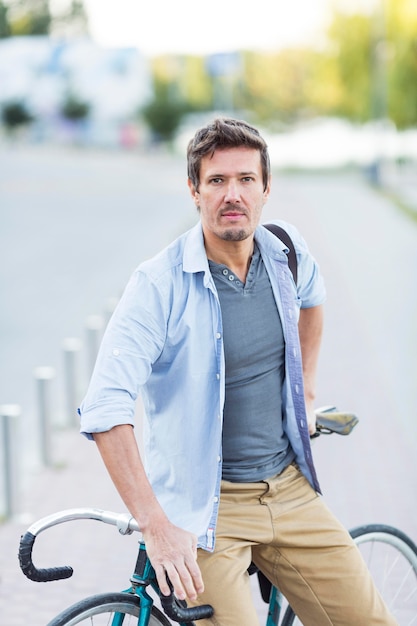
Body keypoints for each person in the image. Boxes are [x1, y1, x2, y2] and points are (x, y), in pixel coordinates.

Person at [79, 117, 396, 625]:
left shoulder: (284, 251)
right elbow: (104, 408)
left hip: (289, 488)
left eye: (246, 179)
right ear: (194, 191)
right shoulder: (158, 286)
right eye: (217, 181)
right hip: (208, 510)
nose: (233, 194)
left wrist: (308, 393)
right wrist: (156, 526)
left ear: (266, 188)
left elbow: (313, 301)